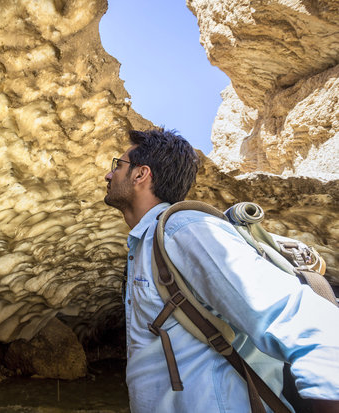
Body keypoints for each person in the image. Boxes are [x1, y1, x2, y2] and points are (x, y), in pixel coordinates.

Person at [104, 128, 339, 413]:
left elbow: (308, 325)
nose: (109, 175)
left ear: (141, 174)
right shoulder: (146, 243)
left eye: (118, 165)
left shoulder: (186, 230)